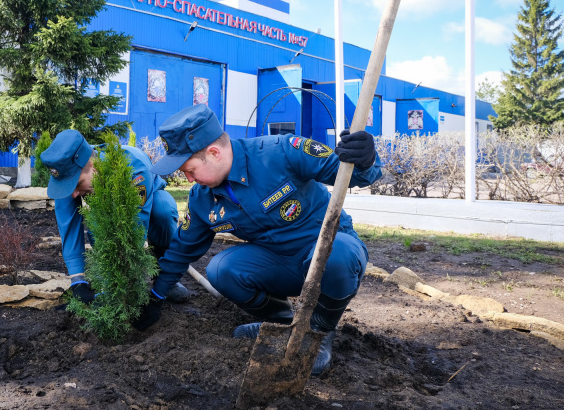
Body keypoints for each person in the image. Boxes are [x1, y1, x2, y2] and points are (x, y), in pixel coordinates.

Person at [133, 104, 381, 376]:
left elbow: (349, 173)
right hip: (280, 265)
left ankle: (317, 332)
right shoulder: (201, 198)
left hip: (327, 255)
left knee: (339, 253)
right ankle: (282, 323)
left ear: (213, 153)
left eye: (189, 169)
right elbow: (181, 250)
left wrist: (365, 158)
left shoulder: (281, 152)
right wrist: (156, 295)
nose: (188, 178)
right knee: (220, 269)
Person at [40, 129, 191, 304]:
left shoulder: (133, 168)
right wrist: (78, 282)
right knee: (98, 220)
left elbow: (134, 228)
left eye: (78, 184)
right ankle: (106, 278)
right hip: (102, 204)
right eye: (68, 187)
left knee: (163, 210)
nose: (73, 194)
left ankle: (165, 277)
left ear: (93, 165)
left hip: (151, 199)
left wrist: (128, 283)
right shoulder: (68, 172)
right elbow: (68, 225)